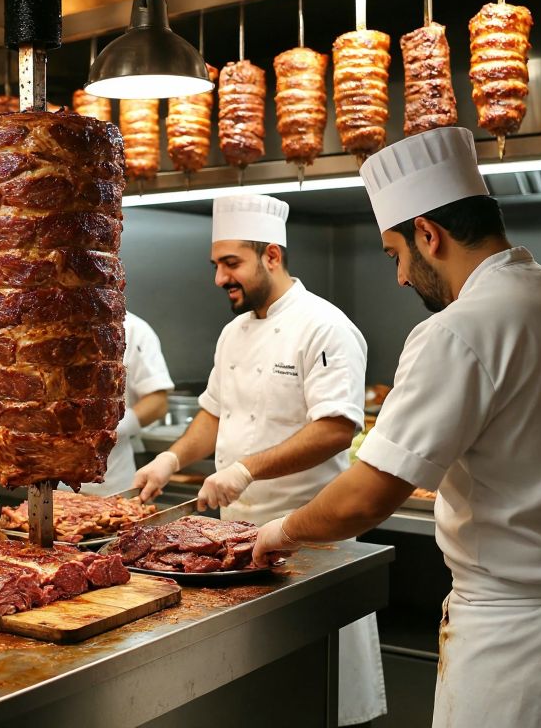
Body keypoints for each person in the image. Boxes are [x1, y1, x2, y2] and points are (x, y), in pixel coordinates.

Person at [252, 127, 541, 728]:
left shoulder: (457, 329)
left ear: (428, 235)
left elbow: (365, 497)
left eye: (396, 254)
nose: (401, 278)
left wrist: (277, 532)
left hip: (522, 641)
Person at [133, 194, 386, 726]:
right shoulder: (233, 332)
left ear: (272, 255)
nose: (220, 278)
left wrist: (246, 469)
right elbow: (213, 415)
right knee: (252, 697)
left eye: (232, 264)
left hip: (308, 542)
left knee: (318, 694)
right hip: (232, 547)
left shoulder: (325, 326)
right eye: (216, 266)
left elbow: (339, 428)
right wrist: (171, 460)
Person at [84, 311, 174, 497]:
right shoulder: (48, 325)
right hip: (46, 484)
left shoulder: (134, 329)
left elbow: (158, 402)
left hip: (109, 482)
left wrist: (114, 429)